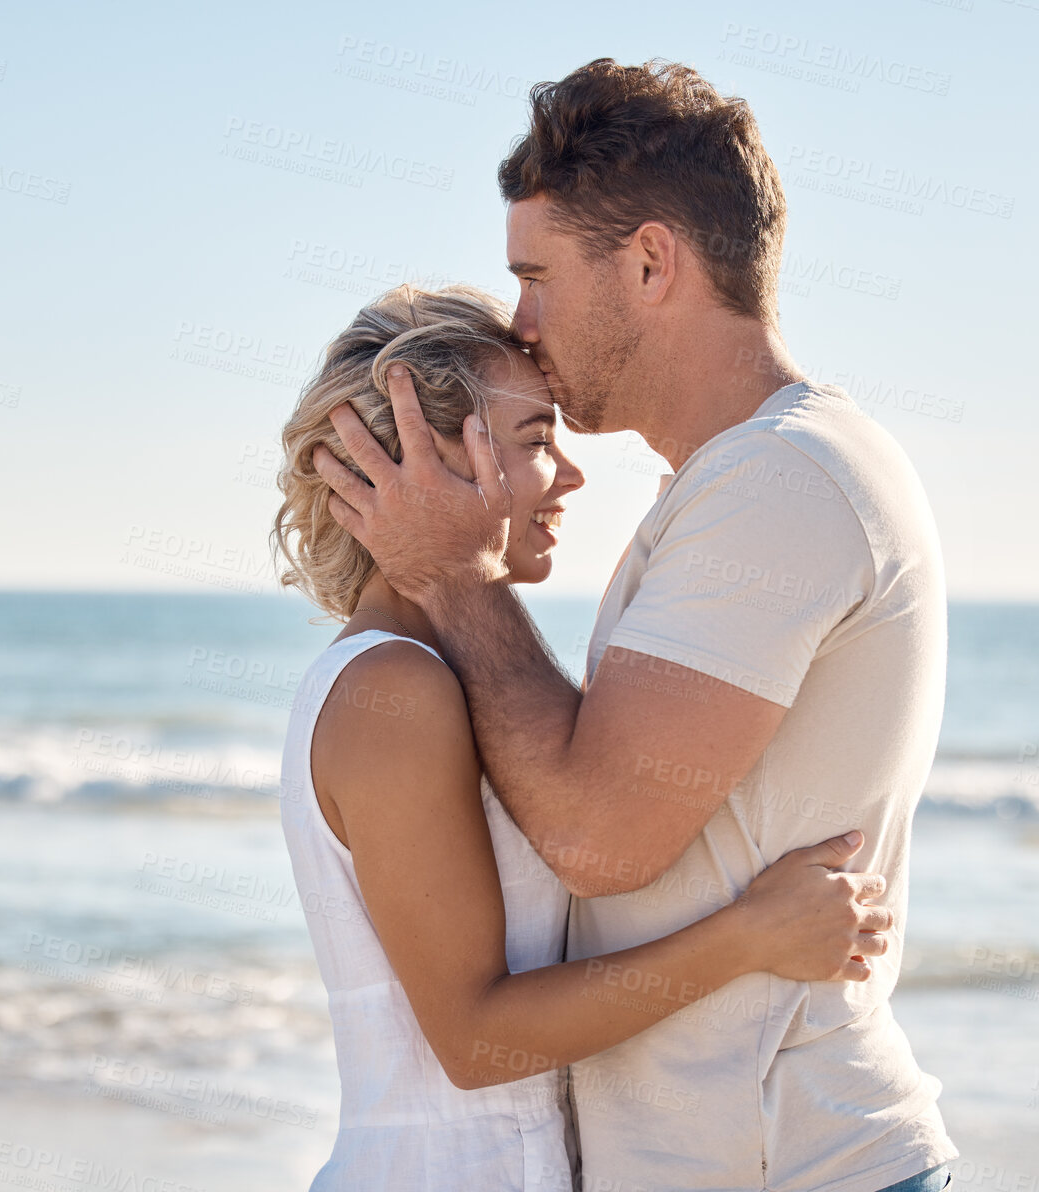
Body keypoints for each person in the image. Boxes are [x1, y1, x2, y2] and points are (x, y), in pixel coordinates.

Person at [313, 61, 956, 1192]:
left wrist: (456, 578)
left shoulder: (781, 478)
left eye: (538, 276)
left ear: (652, 262)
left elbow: (601, 837)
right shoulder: (733, 482)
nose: (523, 320)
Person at [274, 283, 892, 1192]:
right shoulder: (394, 689)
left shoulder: (445, 674)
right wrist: (751, 936)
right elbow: (477, 1039)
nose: (568, 475)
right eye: (532, 443)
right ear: (418, 465)